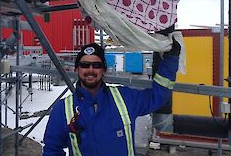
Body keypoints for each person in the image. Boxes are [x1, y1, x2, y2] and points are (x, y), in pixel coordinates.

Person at [42, 40, 180, 156]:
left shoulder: (125, 98)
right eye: (84, 65)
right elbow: (52, 150)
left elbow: (157, 96)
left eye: (96, 65)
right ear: (76, 69)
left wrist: (171, 59)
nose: (90, 70)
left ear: (104, 70)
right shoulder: (63, 110)